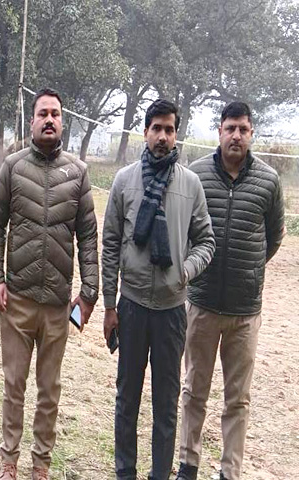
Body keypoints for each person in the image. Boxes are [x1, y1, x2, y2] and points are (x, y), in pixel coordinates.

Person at [0, 87, 99, 480]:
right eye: (43, 114)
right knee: (14, 385)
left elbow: (88, 236)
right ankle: (9, 462)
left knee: (49, 391)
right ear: (32, 121)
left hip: (57, 306)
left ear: (62, 122)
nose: (49, 120)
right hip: (16, 301)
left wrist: (89, 292)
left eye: (55, 114)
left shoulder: (78, 173)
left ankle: (41, 465)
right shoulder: (13, 168)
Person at [101, 99, 215, 480]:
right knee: (126, 400)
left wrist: (186, 270)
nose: (162, 136)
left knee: (166, 405)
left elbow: (206, 241)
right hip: (131, 306)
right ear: (145, 131)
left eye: (169, 129)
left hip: (171, 312)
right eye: (156, 129)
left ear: (176, 133)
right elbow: (110, 244)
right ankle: (125, 473)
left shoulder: (190, 185)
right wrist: (110, 305)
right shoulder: (124, 181)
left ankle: (160, 475)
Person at [176, 102, 285, 480]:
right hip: (202, 304)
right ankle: (187, 465)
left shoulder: (269, 181)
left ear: (251, 133)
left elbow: (273, 237)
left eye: (243, 129)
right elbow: (185, 231)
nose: (236, 136)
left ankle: (229, 471)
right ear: (219, 131)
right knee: (194, 390)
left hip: (244, 311)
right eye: (230, 128)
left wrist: (249, 269)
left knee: (237, 399)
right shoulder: (196, 175)